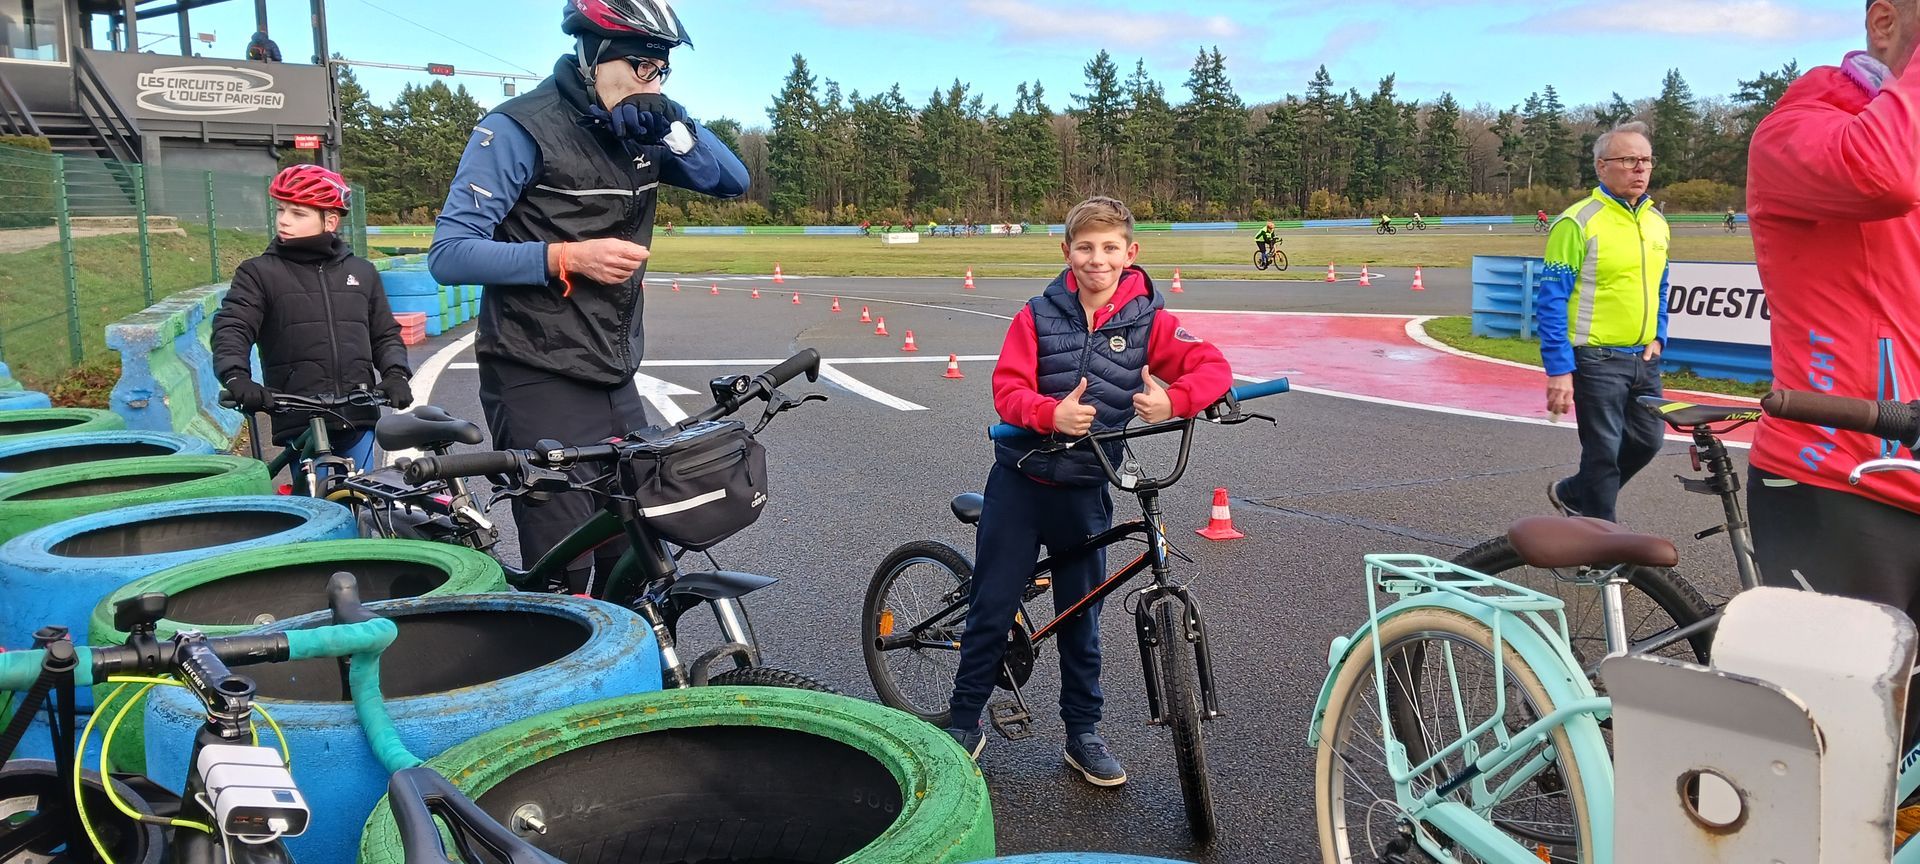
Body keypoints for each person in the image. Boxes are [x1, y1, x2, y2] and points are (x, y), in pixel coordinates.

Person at [427, 0, 749, 593]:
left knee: (632, 546)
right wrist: (566, 258)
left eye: (663, 70)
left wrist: (676, 125)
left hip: (613, 369)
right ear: (594, 57)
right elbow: (449, 255)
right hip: (534, 368)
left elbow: (732, 181)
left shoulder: (644, 128)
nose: (653, 83)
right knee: (565, 563)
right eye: (642, 67)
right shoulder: (518, 128)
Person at [945, 196, 1233, 785]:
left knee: (1082, 620)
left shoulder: (1150, 321)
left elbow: (1212, 367)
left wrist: (1175, 401)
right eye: (1085, 247)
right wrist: (1049, 415)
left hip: (1085, 488)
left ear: (1130, 253)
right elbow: (1007, 391)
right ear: (1067, 252)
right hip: (1021, 482)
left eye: (1109, 248)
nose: (1096, 259)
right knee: (992, 608)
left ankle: (1083, 733)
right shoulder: (1035, 316)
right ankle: (964, 720)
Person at [1745, 0, 1920, 748]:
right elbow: (1882, 175)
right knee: (1842, 753)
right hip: (1838, 477)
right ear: (1884, 23)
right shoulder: (1800, 125)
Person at [213, 165, 412, 479]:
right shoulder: (258, 273)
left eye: (298, 213)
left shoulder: (362, 272)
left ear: (330, 221)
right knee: (317, 501)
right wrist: (237, 377)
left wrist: (396, 374)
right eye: (281, 210)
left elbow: (384, 334)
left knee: (365, 499)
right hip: (298, 415)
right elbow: (233, 326)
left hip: (357, 412)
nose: (284, 220)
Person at [1537, 121, 1670, 523]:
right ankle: (1601, 544)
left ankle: (1574, 493)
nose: (1640, 168)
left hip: (1644, 358)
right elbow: (1551, 299)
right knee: (1603, 455)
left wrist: (1659, 335)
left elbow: (1661, 284)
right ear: (1601, 166)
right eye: (1628, 160)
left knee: (1648, 441)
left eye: (1646, 160)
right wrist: (1559, 369)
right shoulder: (1577, 221)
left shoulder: (1656, 221)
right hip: (1596, 359)